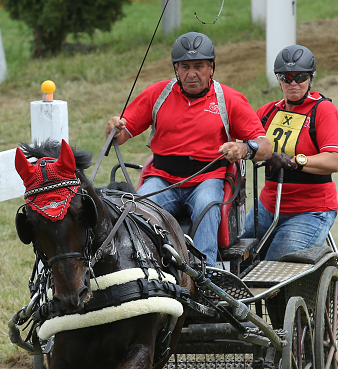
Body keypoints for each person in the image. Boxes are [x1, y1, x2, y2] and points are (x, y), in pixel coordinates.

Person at [106, 31, 272, 266]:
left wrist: (244, 149)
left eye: (199, 66)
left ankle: (207, 275)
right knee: (136, 209)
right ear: (176, 69)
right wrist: (113, 127)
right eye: (185, 67)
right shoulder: (157, 94)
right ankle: (145, 270)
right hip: (162, 179)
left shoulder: (230, 99)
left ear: (211, 68)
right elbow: (121, 134)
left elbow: (265, 146)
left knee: (206, 207)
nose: (191, 74)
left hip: (207, 180)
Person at [243, 44, 338, 260]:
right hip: (267, 205)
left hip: (310, 210)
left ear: (311, 78)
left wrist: (295, 161)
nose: (293, 83)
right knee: (235, 260)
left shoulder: (323, 110)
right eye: (286, 77)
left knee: (274, 267)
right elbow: (241, 141)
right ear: (278, 80)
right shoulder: (267, 112)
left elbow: (334, 161)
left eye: (299, 77)